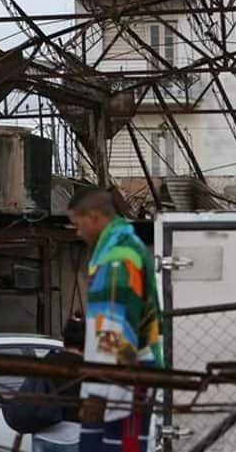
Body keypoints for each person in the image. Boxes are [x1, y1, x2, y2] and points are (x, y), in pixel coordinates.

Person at [67, 187, 162, 452]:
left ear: (94, 217)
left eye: (78, 224)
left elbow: (114, 326)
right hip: (125, 376)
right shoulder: (121, 250)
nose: (77, 232)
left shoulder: (118, 259)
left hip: (125, 379)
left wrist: (98, 392)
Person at [1, 316, 86, 452]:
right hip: (71, 437)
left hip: (43, 435)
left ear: (65, 339)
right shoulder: (86, 369)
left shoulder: (47, 361)